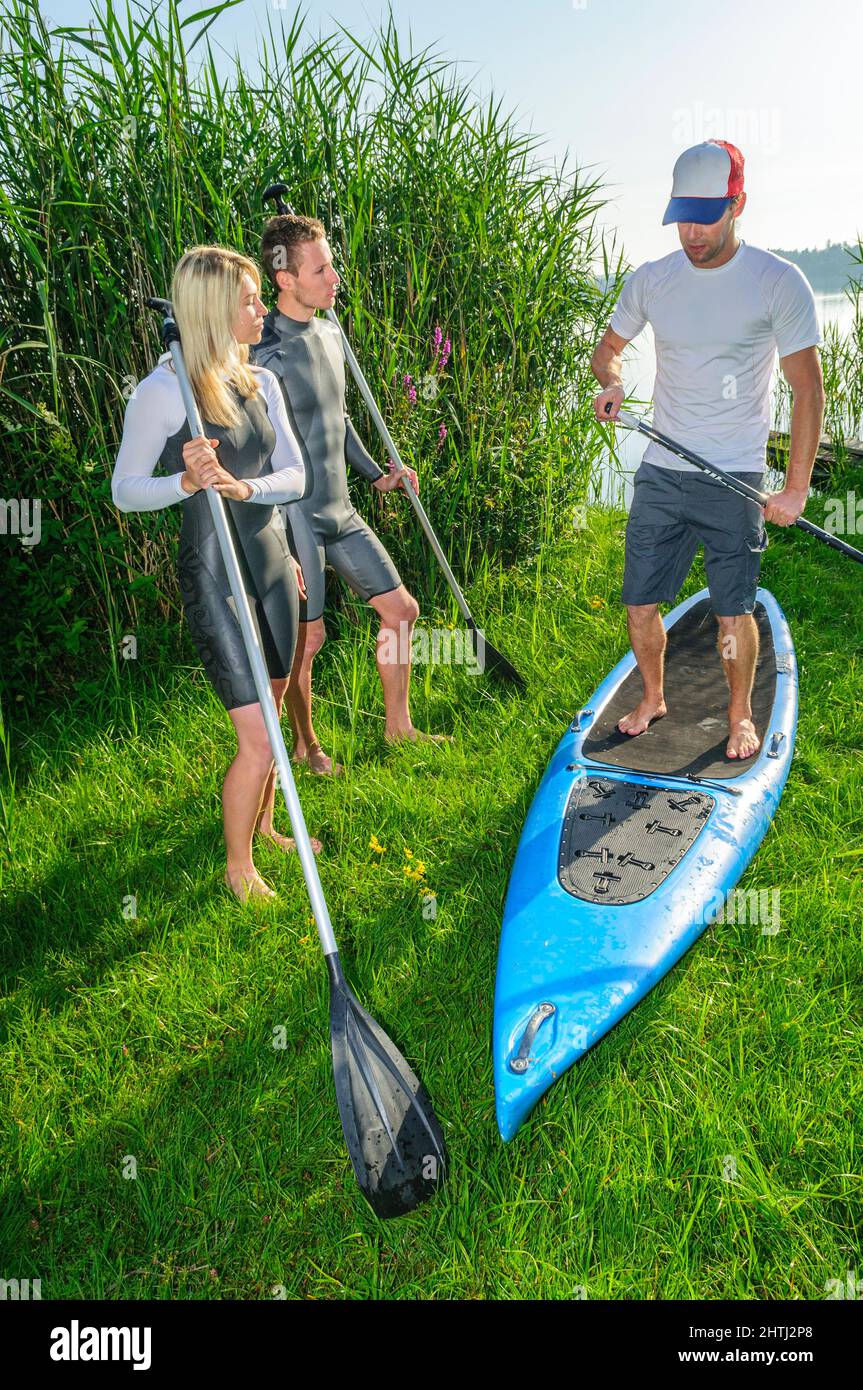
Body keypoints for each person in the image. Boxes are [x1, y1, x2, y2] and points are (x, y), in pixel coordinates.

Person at [591, 140, 824, 759]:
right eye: (682, 216)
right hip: (664, 471)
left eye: (707, 215)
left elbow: (807, 390)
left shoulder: (778, 281)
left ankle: (740, 714)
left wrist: (795, 486)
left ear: (738, 204)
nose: (692, 232)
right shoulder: (653, 281)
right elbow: (606, 351)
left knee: (730, 613)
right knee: (640, 603)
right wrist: (612, 381)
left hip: (736, 475)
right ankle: (652, 697)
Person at [112, 245, 319, 903]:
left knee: (278, 703)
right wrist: (183, 478)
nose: (262, 310)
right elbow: (123, 490)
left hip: (268, 559)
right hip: (216, 573)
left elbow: (296, 476)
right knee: (256, 737)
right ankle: (238, 869)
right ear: (213, 310)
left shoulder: (262, 380)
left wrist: (243, 490)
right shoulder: (163, 392)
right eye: (251, 300)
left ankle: (264, 828)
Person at [252, 212, 451, 777]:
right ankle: (306, 746)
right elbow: (254, 448)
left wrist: (375, 473)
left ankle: (398, 728)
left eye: (332, 264)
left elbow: (337, 418)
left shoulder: (330, 332)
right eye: (322, 268)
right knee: (307, 640)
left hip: (340, 510)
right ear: (286, 278)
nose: (335, 277)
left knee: (401, 610)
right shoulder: (263, 350)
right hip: (294, 520)